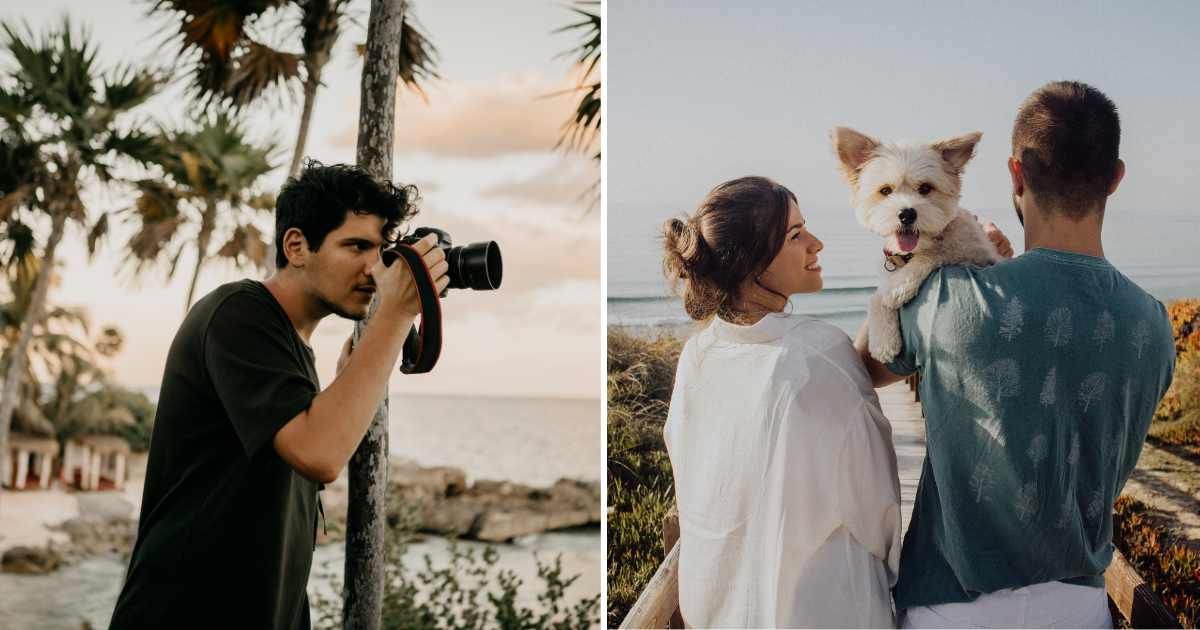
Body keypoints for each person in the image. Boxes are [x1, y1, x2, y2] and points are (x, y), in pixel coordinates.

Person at [859, 81, 1176, 628]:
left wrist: (903, 258)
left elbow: (859, 370)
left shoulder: (947, 295)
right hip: (1080, 607)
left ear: (1015, 174)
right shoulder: (1154, 323)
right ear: (1116, 178)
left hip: (950, 606)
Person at [109, 162, 449, 629]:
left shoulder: (289, 348)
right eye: (356, 246)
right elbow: (319, 453)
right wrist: (395, 315)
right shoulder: (238, 313)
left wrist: (346, 380)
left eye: (382, 250)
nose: (375, 268)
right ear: (297, 246)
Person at [660, 176, 902, 627]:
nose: (816, 244)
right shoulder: (818, 352)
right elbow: (879, 506)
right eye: (795, 235)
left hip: (722, 610)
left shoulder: (697, 356)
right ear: (751, 261)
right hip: (826, 609)